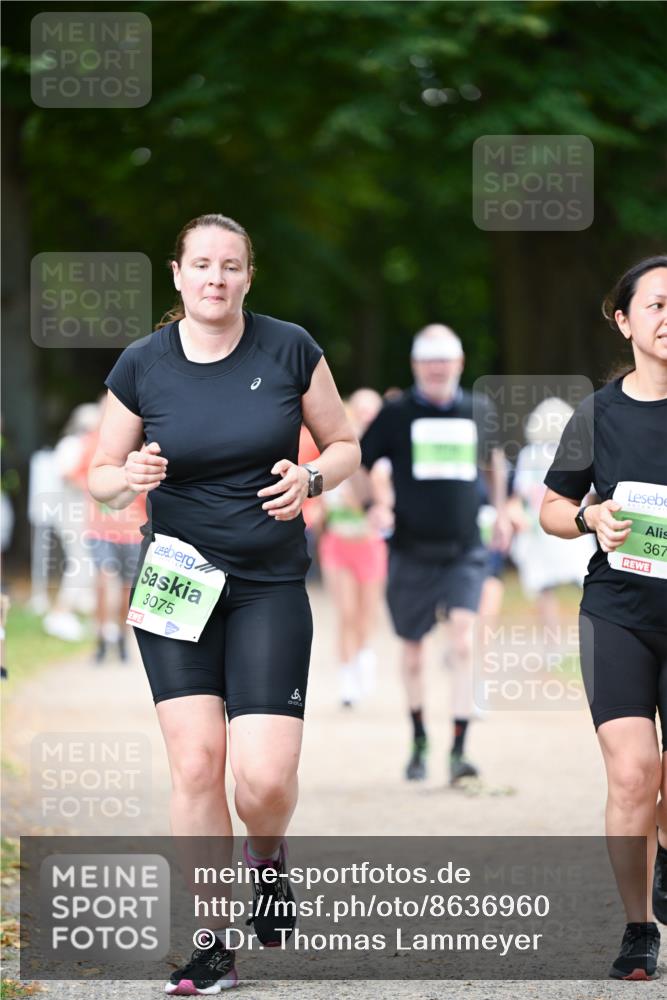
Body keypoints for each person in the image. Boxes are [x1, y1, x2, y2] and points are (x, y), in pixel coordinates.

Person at [88, 213, 359, 996]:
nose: (215, 277)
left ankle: (266, 855)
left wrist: (311, 478)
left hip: (268, 583)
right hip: (176, 582)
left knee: (263, 781)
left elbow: (344, 446)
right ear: (177, 275)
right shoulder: (142, 364)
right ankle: (212, 943)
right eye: (201, 264)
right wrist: (128, 476)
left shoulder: (288, 348)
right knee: (197, 763)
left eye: (230, 265)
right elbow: (102, 475)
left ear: (247, 276)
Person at [540, 255, 667, 980]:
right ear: (624, 322)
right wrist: (590, 517)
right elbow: (551, 508)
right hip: (617, 612)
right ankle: (637, 928)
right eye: (655, 305)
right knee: (632, 772)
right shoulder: (597, 414)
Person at [360, 324, 512, 784]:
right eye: (428, 360)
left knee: (463, 640)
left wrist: (501, 511)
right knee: (413, 652)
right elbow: (358, 462)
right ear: (415, 365)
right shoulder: (396, 413)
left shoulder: (478, 408)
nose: (436, 368)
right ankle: (420, 740)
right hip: (410, 548)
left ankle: (460, 750)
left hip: (465, 548)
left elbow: (494, 460)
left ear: (459, 363)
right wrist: (373, 505)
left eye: (444, 359)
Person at [319, 389, 388, 706]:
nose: (365, 417)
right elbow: (325, 499)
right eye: (360, 410)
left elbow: (383, 504)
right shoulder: (336, 452)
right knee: (345, 613)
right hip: (338, 542)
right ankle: (347, 680)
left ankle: (364, 657)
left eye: (371, 411)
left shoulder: (384, 459)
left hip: (369, 543)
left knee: (365, 614)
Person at [511, 398, 596, 629]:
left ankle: (554, 639)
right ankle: (584, 631)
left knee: (545, 587)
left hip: (546, 526)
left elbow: (521, 493)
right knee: (583, 580)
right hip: (569, 525)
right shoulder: (576, 452)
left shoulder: (530, 455)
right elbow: (590, 495)